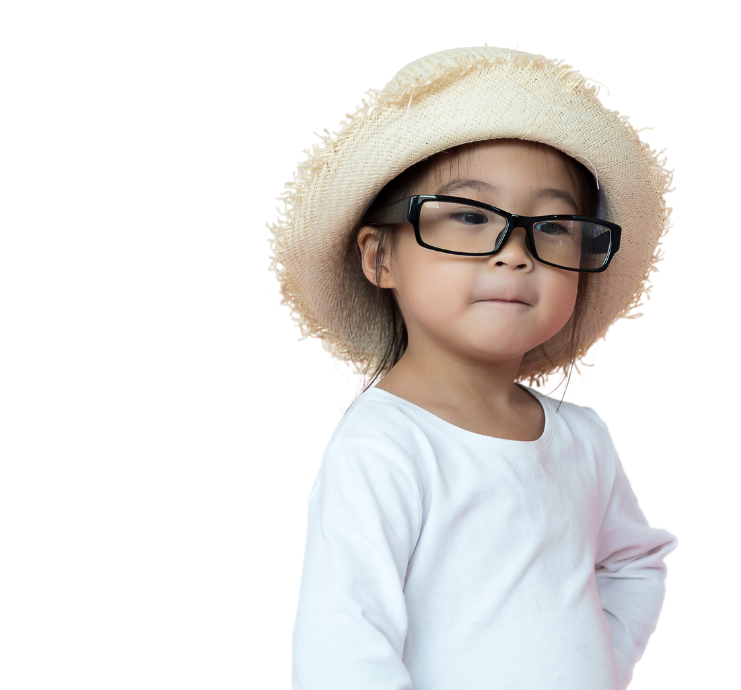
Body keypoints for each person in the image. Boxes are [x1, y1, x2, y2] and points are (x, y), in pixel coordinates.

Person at [270, 46, 678, 690]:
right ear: (380, 257)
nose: (516, 253)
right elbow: (343, 652)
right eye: (469, 215)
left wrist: (597, 664)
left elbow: (633, 563)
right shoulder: (384, 448)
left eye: (551, 226)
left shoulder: (583, 440)